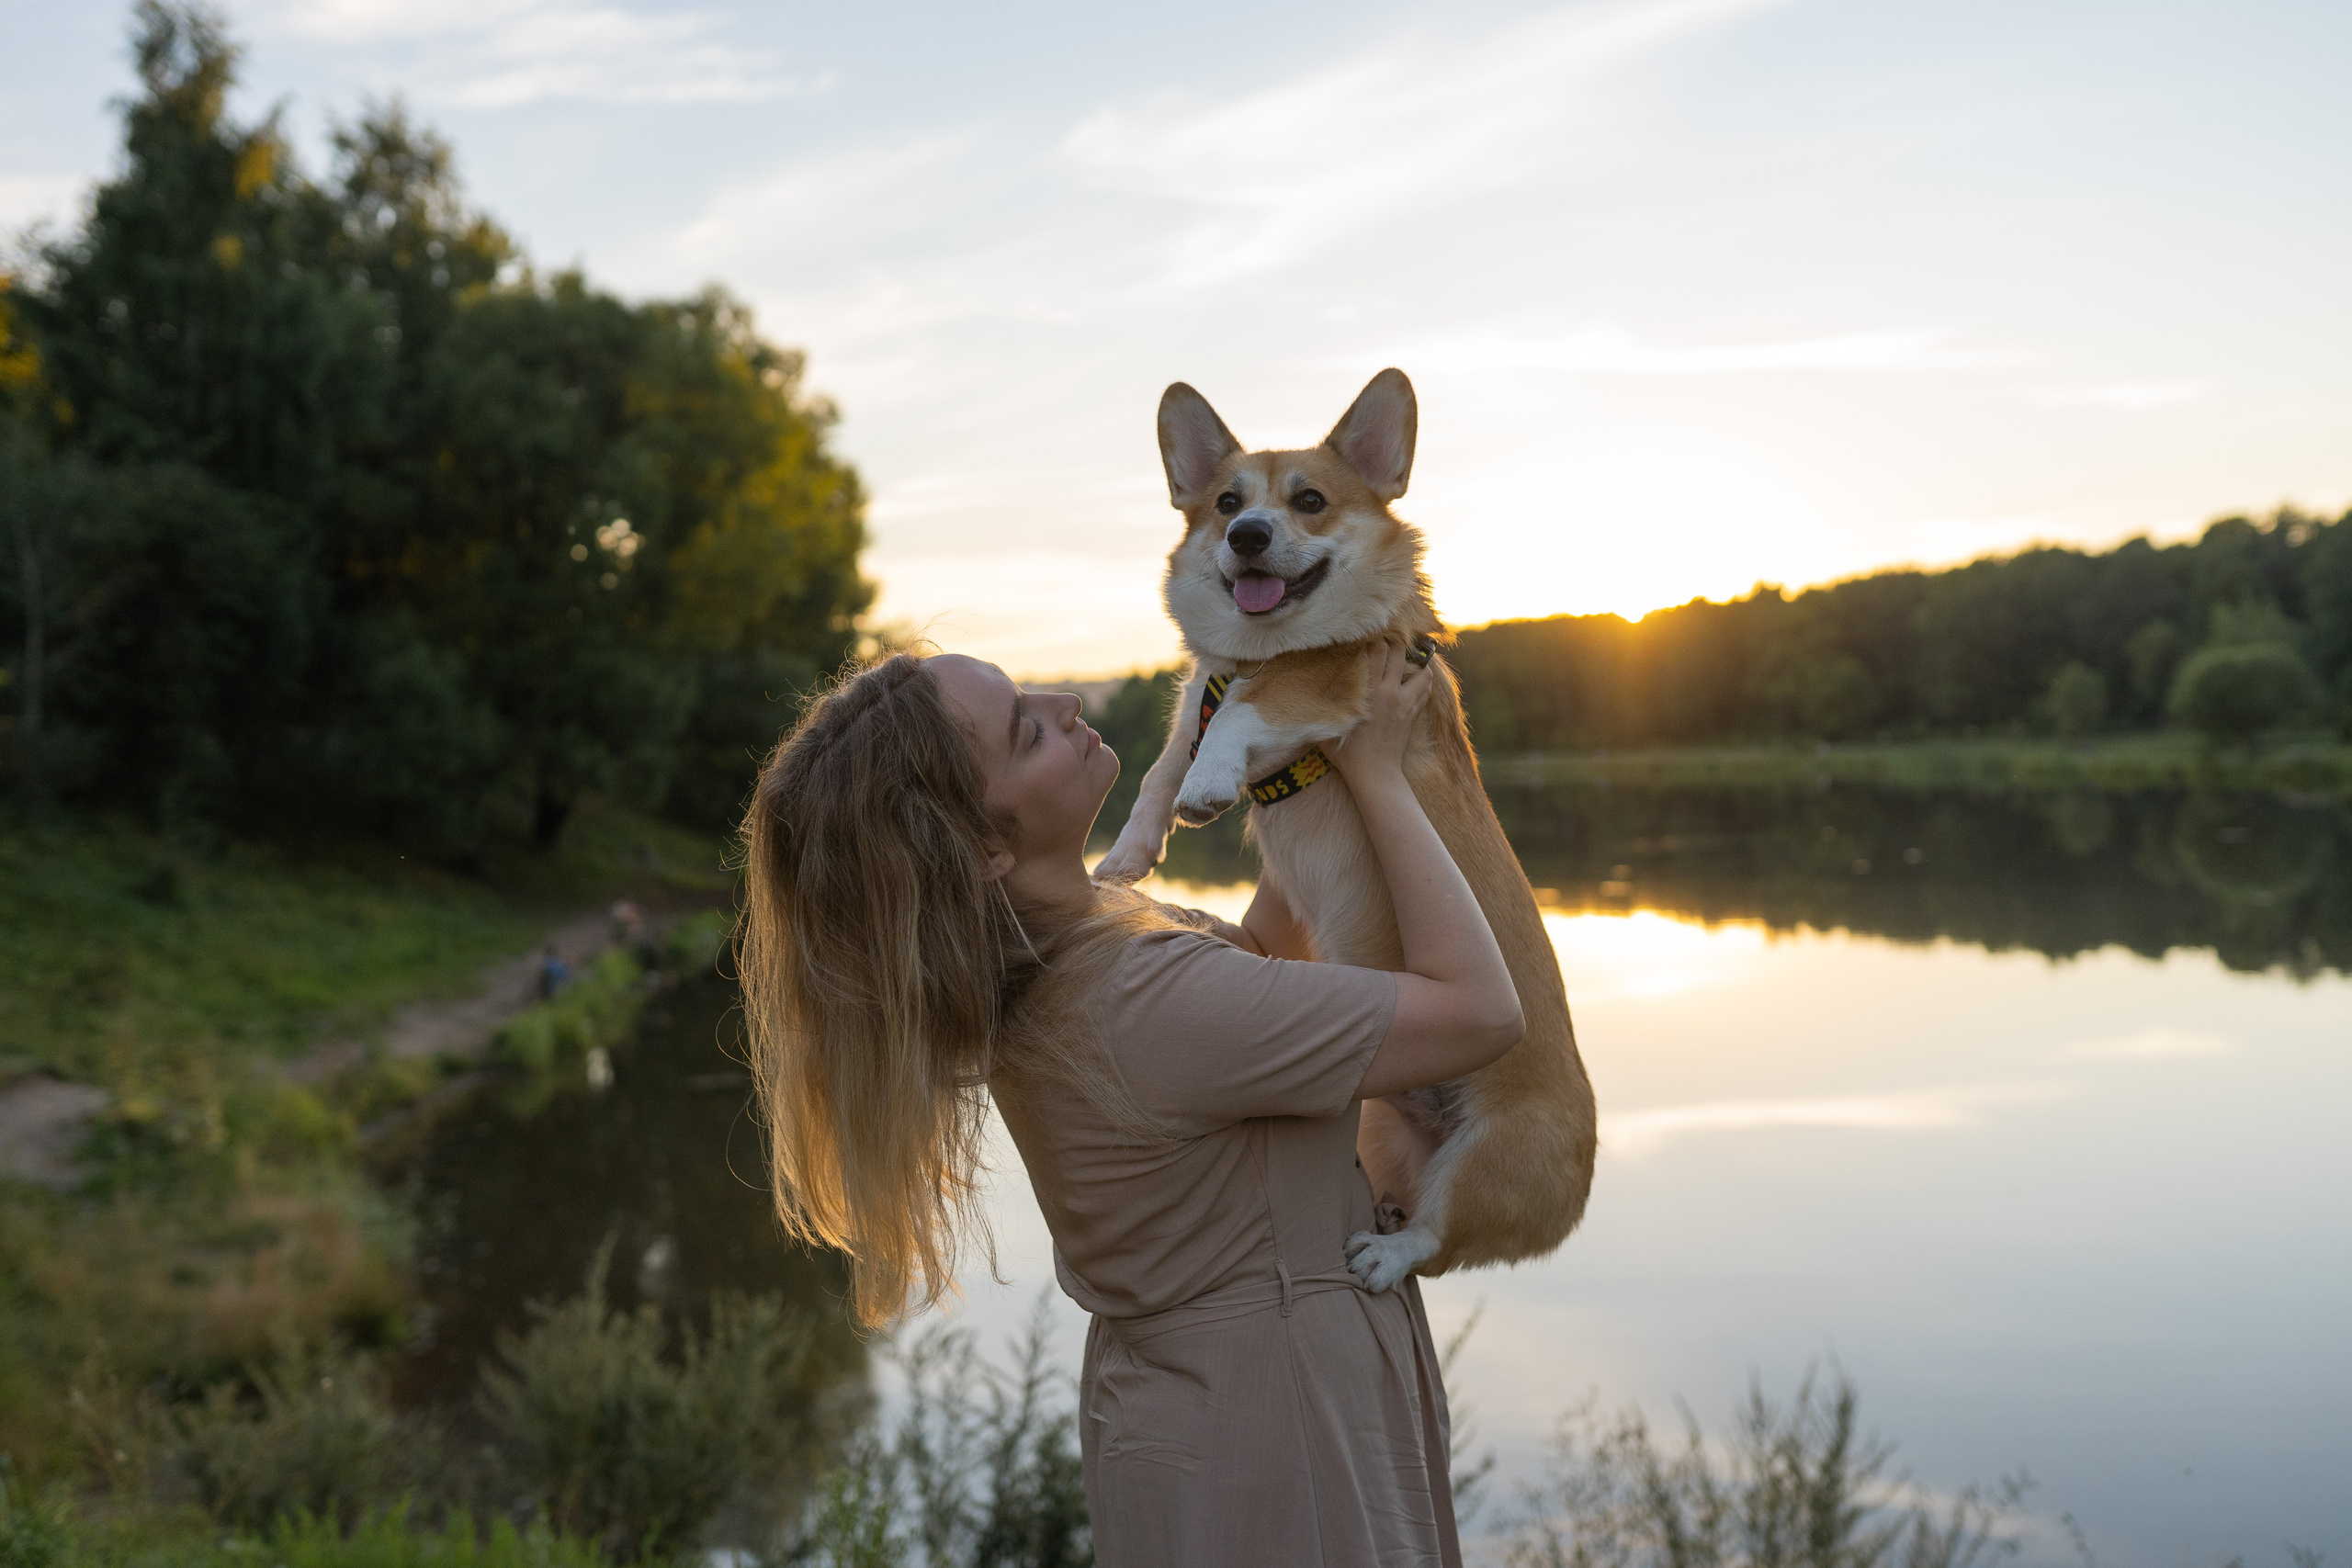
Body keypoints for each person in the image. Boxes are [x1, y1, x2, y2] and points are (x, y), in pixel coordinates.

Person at [739, 645, 1523, 1568]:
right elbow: (1479, 1013)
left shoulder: (1086, 949)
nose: (1064, 701)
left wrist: (1312, 743)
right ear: (988, 849)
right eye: (1025, 729)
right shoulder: (1144, 998)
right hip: (1280, 1424)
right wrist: (1378, 772)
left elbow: (1278, 963)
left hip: (1215, 1410)